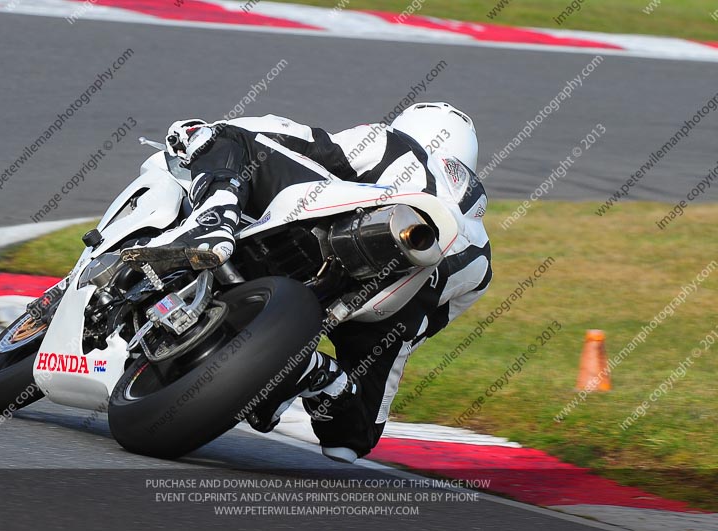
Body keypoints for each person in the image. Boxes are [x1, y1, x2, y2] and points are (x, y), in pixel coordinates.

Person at [121, 103, 491, 463]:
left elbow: (300, 139)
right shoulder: (482, 264)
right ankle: (320, 376)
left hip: (342, 232)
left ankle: (214, 220)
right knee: (350, 441)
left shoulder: (392, 142)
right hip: (388, 306)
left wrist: (202, 137)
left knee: (229, 137)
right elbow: (419, 329)